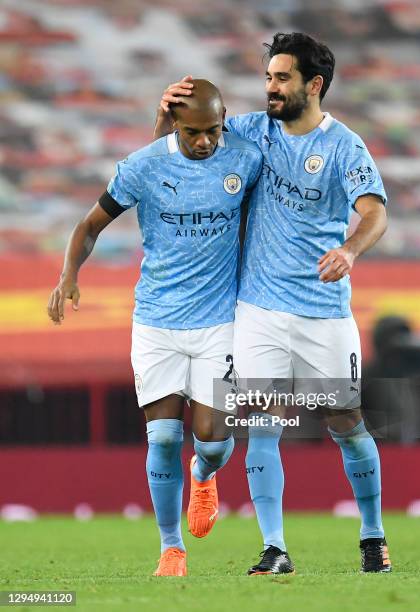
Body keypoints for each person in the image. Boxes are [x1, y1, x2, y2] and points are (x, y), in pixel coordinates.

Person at [154, 32, 391, 575]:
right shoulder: (250, 131)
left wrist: (351, 249)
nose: (271, 88)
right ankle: (274, 548)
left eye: (282, 78)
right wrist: (167, 114)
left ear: (315, 85)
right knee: (264, 423)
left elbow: (375, 212)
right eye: (268, 77)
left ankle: (373, 536)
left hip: (324, 310)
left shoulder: (343, 147)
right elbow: (185, 148)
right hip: (257, 309)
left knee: (346, 422)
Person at [48, 80, 263, 577]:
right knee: (163, 438)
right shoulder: (144, 166)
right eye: (193, 133)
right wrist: (68, 276)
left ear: (225, 118)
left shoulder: (245, 159)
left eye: (213, 130)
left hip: (220, 322)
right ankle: (172, 548)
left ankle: (203, 475)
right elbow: (89, 226)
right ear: (175, 126)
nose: (205, 142)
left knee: (210, 440)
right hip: (156, 322)